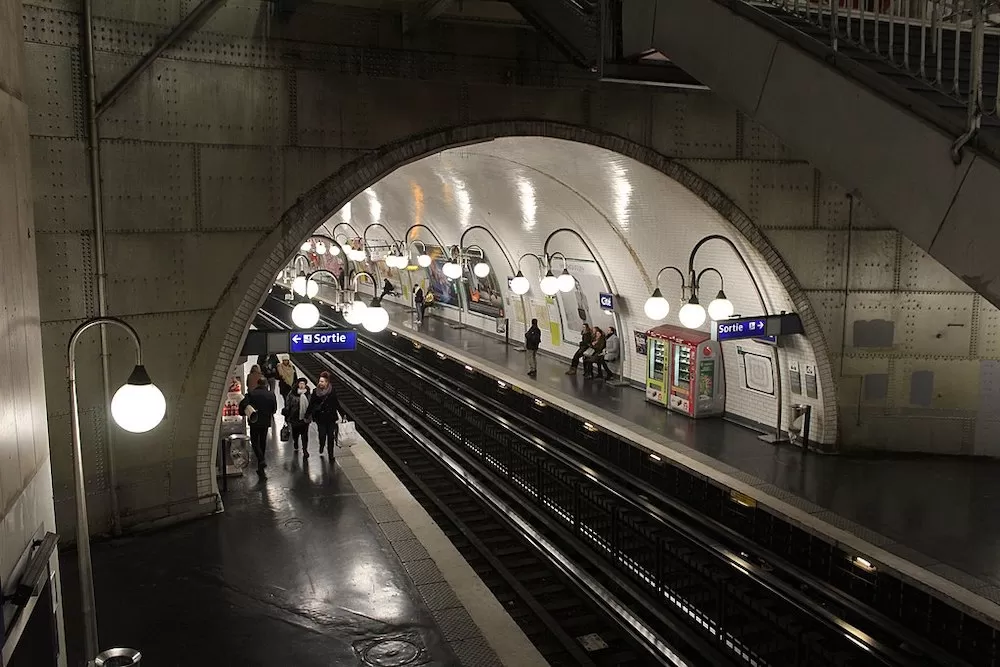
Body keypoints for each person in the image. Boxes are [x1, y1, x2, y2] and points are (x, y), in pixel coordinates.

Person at [239, 378, 278, 478]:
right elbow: (274, 409)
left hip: (254, 421)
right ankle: (261, 465)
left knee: (255, 442)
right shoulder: (271, 394)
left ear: (257, 383)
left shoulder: (251, 394)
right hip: (265, 422)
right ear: (266, 384)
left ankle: (261, 459)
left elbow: (243, 405)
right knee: (262, 441)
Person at [306, 371, 343, 455]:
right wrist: (307, 414)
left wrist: (343, 413)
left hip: (331, 417)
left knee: (331, 437)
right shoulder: (315, 392)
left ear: (327, 382)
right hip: (320, 418)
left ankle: (331, 454)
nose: (320, 383)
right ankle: (321, 445)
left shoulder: (332, 391)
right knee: (322, 435)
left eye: (322, 381)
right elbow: (311, 404)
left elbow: (336, 403)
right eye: (320, 381)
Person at [282, 378, 312, 457]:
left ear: (305, 385)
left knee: (304, 435)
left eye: (303, 384)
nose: (302, 385)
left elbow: (311, 404)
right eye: (300, 383)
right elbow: (287, 404)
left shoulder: (308, 393)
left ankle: (305, 450)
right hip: (294, 417)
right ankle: (295, 442)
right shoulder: (292, 393)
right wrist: (287, 413)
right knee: (295, 433)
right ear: (297, 384)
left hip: (305, 418)